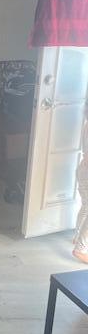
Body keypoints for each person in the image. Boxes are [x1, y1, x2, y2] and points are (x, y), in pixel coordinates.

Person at [73, 108, 88, 263]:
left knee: (85, 206)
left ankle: (77, 236)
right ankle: (80, 248)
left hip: (83, 170)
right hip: (86, 172)